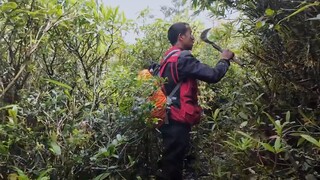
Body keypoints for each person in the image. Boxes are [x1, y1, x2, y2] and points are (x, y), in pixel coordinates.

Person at [155, 22, 235, 180]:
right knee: (172, 166)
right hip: (178, 118)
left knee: (171, 161)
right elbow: (213, 75)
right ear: (181, 37)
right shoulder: (182, 58)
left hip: (168, 117)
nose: (193, 38)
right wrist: (224, 60)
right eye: (190, 34)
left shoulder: (167, 58)